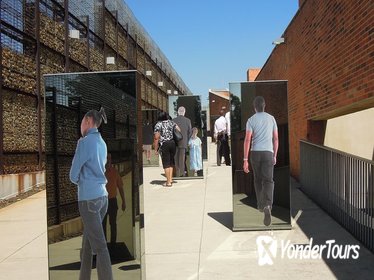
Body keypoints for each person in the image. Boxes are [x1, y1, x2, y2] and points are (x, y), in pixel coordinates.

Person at [69, 107, 113, 280]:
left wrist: (83, 181)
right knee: (87, 245)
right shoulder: (102, 142)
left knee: (100, 247)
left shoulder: (85, 142)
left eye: (82, 121)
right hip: (102, 198)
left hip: (88, 200)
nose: (80, 125)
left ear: (88, 121)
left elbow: (73, 175)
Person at [243, 96, 278, 227]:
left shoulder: (251, 120)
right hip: (268, 152)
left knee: (258, 180)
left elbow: (247, 140)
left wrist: (245, 159)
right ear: (265, 105)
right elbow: (276, 139)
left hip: (255, 153)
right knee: (268, 180)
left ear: (254, 107)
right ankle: (268, 205)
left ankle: (260, 205)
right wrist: (275, 154)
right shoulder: (272, 118)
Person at [102, 153, 126, 249]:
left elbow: (120, 187)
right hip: (102, 202)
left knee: (113, 224)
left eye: (109, 158)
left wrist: (124, 201)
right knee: (102, 225)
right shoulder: (100, 172)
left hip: (112, 201)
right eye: (106, 158)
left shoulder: (115, 172)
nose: (108, 160)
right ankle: (103, 246)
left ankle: (113, 244)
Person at [153, 112, 180, 187]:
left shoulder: (158, 124)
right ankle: (170, 179)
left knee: (166, 164)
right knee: (171, 162)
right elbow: (179, 129)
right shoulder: (171, 122)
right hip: (172, 143)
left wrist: (155, 149)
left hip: (164, 144)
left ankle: (168, 182)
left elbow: (156, 137)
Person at [173, 106, 192, 177]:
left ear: (178, 112)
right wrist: (186, 139)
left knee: (175, 158)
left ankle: (177, 173)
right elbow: (190, 132)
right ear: (184, 112)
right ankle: (182, 173)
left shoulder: (173, 120)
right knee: (182, 158)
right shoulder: (188, 120)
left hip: (175, 142)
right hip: (184, 142)